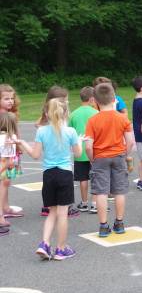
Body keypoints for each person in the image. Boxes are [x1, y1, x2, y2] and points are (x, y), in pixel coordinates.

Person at [17, 98, 82, 260]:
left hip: (49, 174)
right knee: (62, 213)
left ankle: (45, 243)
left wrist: (23, 143)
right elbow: (79, 154)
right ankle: (61, 248)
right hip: (64, 173)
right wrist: (80, 140)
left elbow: (35, 155)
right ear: (66, 113)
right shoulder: (70, 132)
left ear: (46, 113)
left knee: (52, 212)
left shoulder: (41, 131)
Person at [85, 83, 135, 238]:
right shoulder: (122, 118)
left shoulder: (92, 120)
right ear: (114, 98)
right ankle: (119, 222)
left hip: (100, 157)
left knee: (101, 191)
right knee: (119, 190)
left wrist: (92, 158)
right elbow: (130, 141)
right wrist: (125, 154)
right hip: (118, 156)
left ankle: (103, 225)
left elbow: (88, 145)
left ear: (95, 101)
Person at [36, 86, 79, 217]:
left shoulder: (61, 116)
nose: (66, 104)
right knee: (59, 182)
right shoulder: (49, 116)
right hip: (58, 157)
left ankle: (52, 206)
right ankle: (55, 206)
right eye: (64, 101)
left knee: (52, 180)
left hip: (55, 157)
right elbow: (39, 124)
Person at [68, 86, 98, 212]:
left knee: (83, 178)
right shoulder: (96, 113)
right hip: (94, 150)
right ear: (92, 99)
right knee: (96, 178)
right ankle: (95, 203)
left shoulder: (73, 114)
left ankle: (84, 202)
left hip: (80, 151)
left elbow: (70, 132)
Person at [0, 84, 22, 227]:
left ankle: (5, 207)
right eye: (6, 98)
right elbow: (5, 137)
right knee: (3, 182)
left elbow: (14, 133)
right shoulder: (3, 116)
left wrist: (18, 147)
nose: (10, 101)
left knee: (7, 182)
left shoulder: (11, 114)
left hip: (10, 151)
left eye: (12, 98)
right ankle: (1, 213)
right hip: (4, 153)